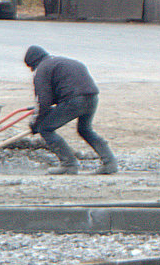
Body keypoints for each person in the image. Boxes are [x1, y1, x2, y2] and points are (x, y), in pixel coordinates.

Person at [24, 45, 117, 175]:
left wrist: (35, 124)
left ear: (33, 63)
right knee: (85, 130)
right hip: (92, 97)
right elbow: (61, 89)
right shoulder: (61, 62)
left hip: (74, 101)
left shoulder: (42, 69)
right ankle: (110, 163)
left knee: (45, 128)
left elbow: (43, 101)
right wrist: (44, 110)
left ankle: (68, 164)